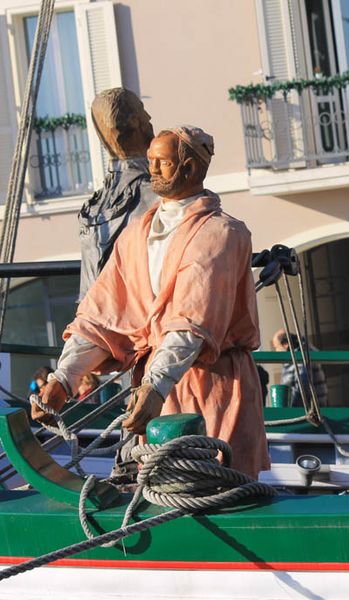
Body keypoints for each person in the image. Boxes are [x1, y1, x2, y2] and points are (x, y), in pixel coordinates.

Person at [32, 125, 270, 478]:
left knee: (218, 483)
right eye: (151, 160)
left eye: (163, 162)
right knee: (162, 485)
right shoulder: (136, 235)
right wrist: (65, 378)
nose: (152, 169)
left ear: (189, 168)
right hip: (155, 393)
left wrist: (155, 387)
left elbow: (190, 323)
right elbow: (102, 316)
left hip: (213, 390)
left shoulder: (222, 234)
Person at [78, 88, 156, 300]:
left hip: (98, 311)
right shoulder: (158, 195)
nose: (149, 117)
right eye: (142, 110)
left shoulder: (94, 207)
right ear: (133, 122)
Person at [271, 329, 327, 407]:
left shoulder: (300, 356)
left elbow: (302, 387)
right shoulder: (299, 355)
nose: (276, 351)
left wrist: (290, 408)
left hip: (307, 409)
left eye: (276, 347)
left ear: (285, 344)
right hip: (310, 406)